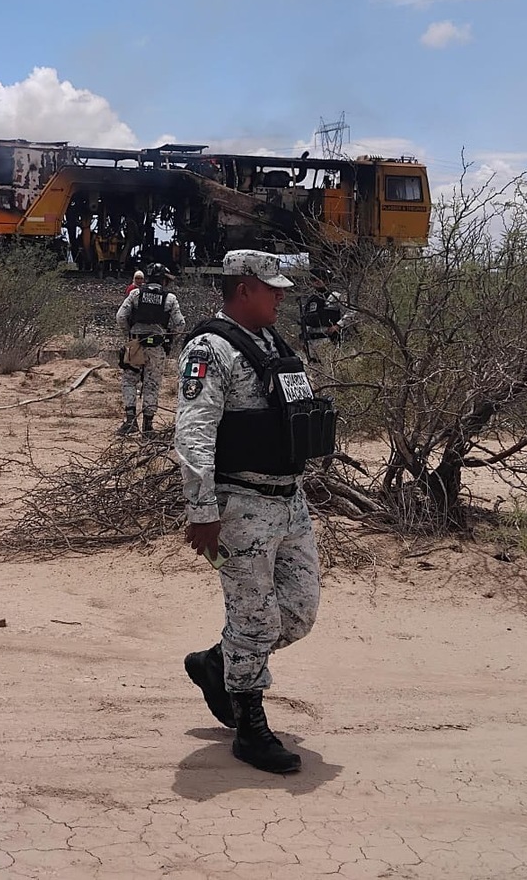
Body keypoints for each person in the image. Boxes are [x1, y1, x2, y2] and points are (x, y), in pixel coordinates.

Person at [176, 250, 336, 774]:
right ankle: (250, 727)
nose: (281, 296)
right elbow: (194, 433)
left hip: (289, 500)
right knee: (253, 617)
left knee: (299, 611)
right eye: (272, 288)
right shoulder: (210, 349)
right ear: (243, 288)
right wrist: (202, 510)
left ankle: (217, 663)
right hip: (238, 507)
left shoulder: (273, 342)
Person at [115, 264, 184, 436]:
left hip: (136, 343)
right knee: (152, 384)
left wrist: (129, 334)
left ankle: (130, 421)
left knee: (129, 380)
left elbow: (121, 317)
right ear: (163, 280)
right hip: (157, 346)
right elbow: (180, 324)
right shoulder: (170, 298)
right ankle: (148, 426)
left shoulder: (135, 294)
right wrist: (169, 339)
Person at [299, 266, 352, 351]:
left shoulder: (335, 296)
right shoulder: (310, 300)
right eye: (314, 279)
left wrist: (338, 325)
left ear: (327, 281)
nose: (317, 282)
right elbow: (305, 321)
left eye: (320, 279)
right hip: (312, 340)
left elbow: (351, 312)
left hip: (330, 339)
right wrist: (303, 339)